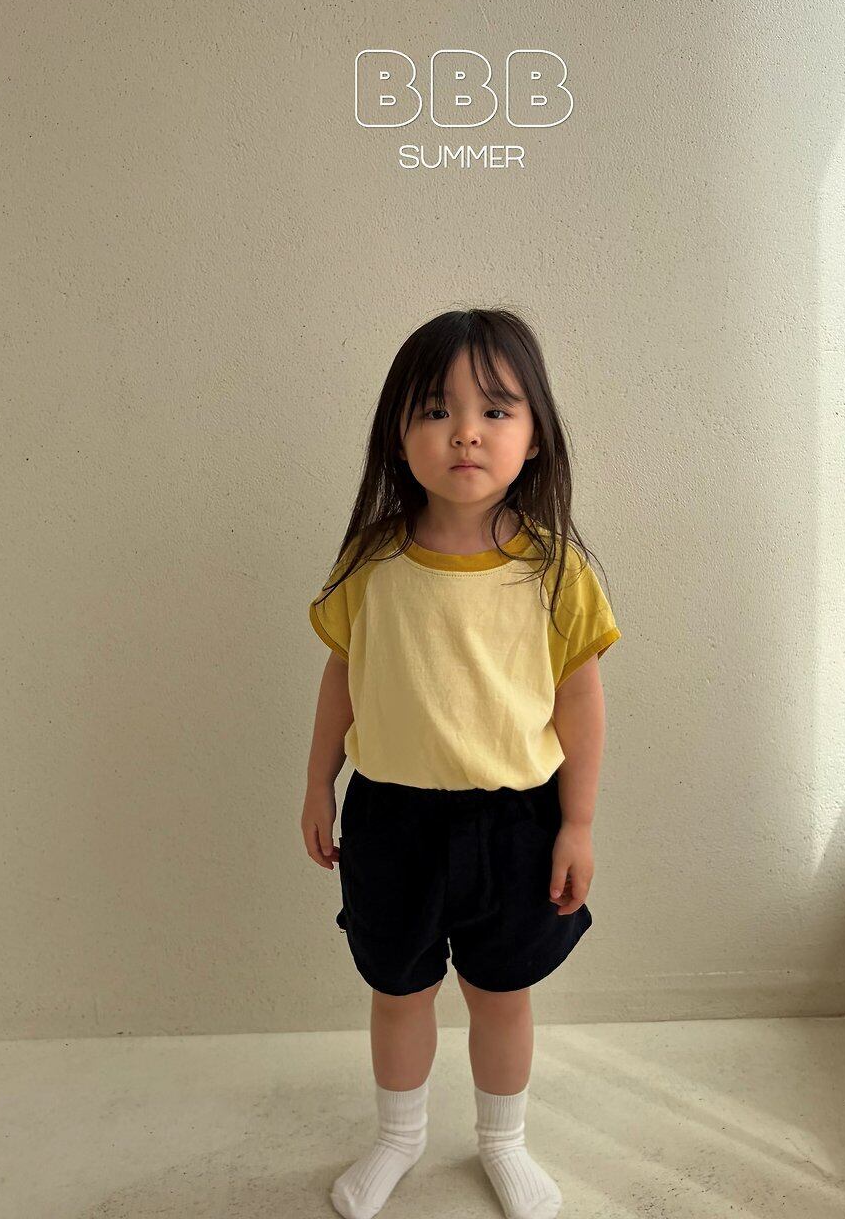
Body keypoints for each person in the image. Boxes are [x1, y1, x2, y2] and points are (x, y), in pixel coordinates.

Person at [302, 307, 621, 1219]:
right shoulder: (371, 563)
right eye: (437, 410)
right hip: (391, 819)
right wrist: (317, 784)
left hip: (515, 823)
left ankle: (503, 1144)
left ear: (535, 435)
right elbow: (341, 676)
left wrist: (577, 823)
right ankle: (398, 1138)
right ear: (399, 435)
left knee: (501, 993)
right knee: (398, 992)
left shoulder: (555, 572)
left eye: (495, 409)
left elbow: (581, 703)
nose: (466, 432)